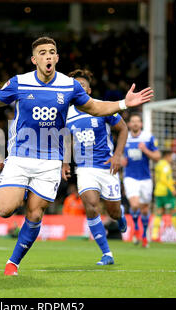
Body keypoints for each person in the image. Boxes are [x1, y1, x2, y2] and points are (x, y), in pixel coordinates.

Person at [0, 36, 153, 275]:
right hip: (21, 156)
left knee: (35, 212)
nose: (48, 56)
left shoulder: (68, 85)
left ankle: (13, 262)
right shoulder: (19, 83)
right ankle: (21, 192)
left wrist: (123, 103)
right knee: (5, 210)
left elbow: (95, 107)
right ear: (34, 59)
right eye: (42, 53)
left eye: (52, 52)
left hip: (50, 162)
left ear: (57, 58)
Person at [62, 69, 128, 265]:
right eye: (75, 86)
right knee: (91, 206)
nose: (78, 88)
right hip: (85, 168)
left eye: (82, 85)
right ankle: (107, 253)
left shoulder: (102, 107)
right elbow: (66, 139)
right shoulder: (66, 113)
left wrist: (117, 155)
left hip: (107, 167)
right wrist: (65, 162)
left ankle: (120, 215)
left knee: (113, 212)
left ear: (88, 90)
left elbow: (123, 128)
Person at [122, 113, 161, 248]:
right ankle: (136, 228)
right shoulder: (124, 137)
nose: (135, 123)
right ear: (129, 124)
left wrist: (145, 150)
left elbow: (157, 156)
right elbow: (120, 156)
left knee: (144, 209)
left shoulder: (148, 137)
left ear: (141, 124)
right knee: (134, 204)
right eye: (133, 121)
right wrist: (121, 160)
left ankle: (144, 234)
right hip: (130, 177)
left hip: (145, 178)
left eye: (137, 121)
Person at [151, 150, 176, 243]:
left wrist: (174, 182)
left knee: (159, 213)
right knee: (174, 211)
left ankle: (154, 235)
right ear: (167, 156)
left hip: (158, 191)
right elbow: (163, 179)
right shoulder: (165, 165)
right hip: (166, 192)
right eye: (171, 156)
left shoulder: (159, 164)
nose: (171, 159)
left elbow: (164, 178)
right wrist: (172, 188)